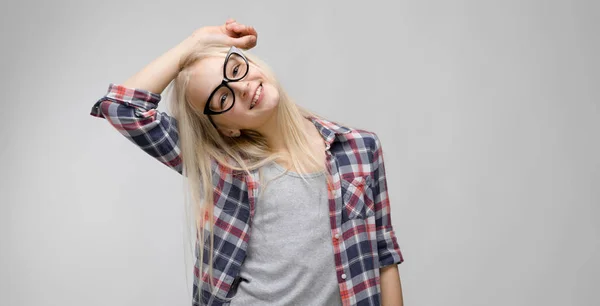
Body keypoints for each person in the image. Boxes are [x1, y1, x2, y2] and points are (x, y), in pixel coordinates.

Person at [89, 19, 404, 306]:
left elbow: (383, 257)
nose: (240, 88)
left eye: (235, 69)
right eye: (222, 98)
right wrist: (194, 43)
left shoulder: (359, 148)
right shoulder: (221, 165)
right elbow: (122, 107)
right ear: (226, 127)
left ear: (251, 62)